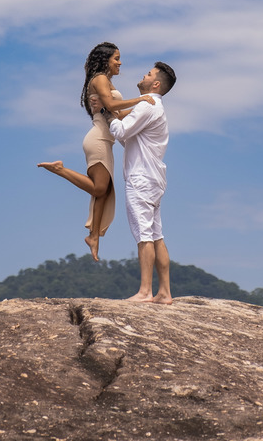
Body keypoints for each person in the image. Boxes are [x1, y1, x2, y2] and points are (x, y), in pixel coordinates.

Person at [38, 42, 155, 261]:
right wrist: (140, 99)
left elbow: (118, 114)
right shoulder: (100, 79)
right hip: (99, 139)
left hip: (105, 141)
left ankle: (94, 237)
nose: (120, 63)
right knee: (100, 189)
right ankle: (60, 170)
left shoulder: (105, 81)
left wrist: (144, 109)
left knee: (105, 191)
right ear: (105, 60)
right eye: (117, 58)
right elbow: (111, 106)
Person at [109, 61, 176, 304]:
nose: (143, 76)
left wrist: (108, 114)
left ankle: (146, 291)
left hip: (141, 179)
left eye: (148, 74)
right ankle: (165, 292)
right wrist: (117, 118)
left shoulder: (146, 105)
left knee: (144, 235)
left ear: (155, 84)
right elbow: (131, 141)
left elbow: (121, 132)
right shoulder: (155, 108)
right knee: (157, 234)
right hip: (154, 178)